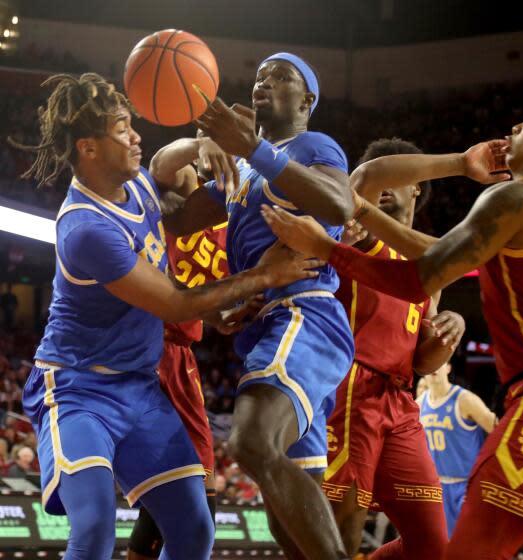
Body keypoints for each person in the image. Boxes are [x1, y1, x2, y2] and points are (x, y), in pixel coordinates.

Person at [261, 80, 523, 559]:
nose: (516, 126)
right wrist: (361, 215)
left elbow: (421, 276)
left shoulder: (519, 196)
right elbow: (435, 252)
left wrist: (327, 247)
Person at [15, 72, 322, 560]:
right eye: (122, 129)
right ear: (89, 149)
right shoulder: (86, 228)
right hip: (77, 391)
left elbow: (163, 163)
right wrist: (266, 276)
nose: (135, 135)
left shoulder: (134, 185)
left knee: (194, 530)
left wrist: (199, 144)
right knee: (94, 530)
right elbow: (175, 304)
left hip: (139, 389)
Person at [155, 52, 355, 559]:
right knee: (286, 525)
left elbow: (339, 205)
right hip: (267, 320)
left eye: (281, 76)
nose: (264, 81)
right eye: (260, 75)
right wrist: (130, 181)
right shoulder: (242, 165)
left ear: (307, 100)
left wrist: (254, 147)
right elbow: (177, 220)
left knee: (249, 442)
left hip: (307, 314)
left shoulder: (313, 145)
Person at [322, 138, 465, 560]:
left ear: (416, 185)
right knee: (339, 533)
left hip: (400, 402)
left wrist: (449, 331)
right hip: (350, 388)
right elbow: (365, 179)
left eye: (397, 176)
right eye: (378, 171)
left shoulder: (428, 268)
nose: (384, 181)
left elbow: (423, 360)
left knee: (431, 547)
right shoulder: (358, 225)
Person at [128, 134, 231, 560]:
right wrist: (199, 142)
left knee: (189, 506)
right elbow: (163, 165)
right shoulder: (170, 205)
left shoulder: (232, 219)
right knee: (189, 502)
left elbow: (217, 311)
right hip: (148, 346)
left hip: (181, 356)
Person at [418, 361, 496, 536]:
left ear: (448, 368)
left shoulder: (464, 399)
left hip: (466, 487)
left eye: (440, 362)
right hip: (435, 488)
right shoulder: (419, 404)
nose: (434, 367)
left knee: (470, 547)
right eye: (430, 364)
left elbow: (498, 431)